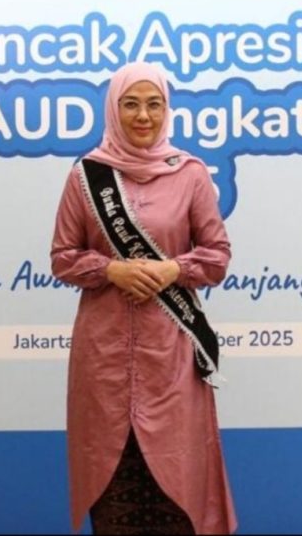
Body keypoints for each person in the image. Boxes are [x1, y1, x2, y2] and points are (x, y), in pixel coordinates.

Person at [51, 61, 237, 535]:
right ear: (113, 110)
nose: (143, 116)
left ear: (166, 110)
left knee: (178, 481)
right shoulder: (86, 176)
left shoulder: (190, 173)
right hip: (104, 359)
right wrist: (110, 269)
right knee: (112, 482)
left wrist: (174, 268)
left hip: (171, 356)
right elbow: (62, 257)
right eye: (130, 104)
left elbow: (217, 256)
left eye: (154, 104)